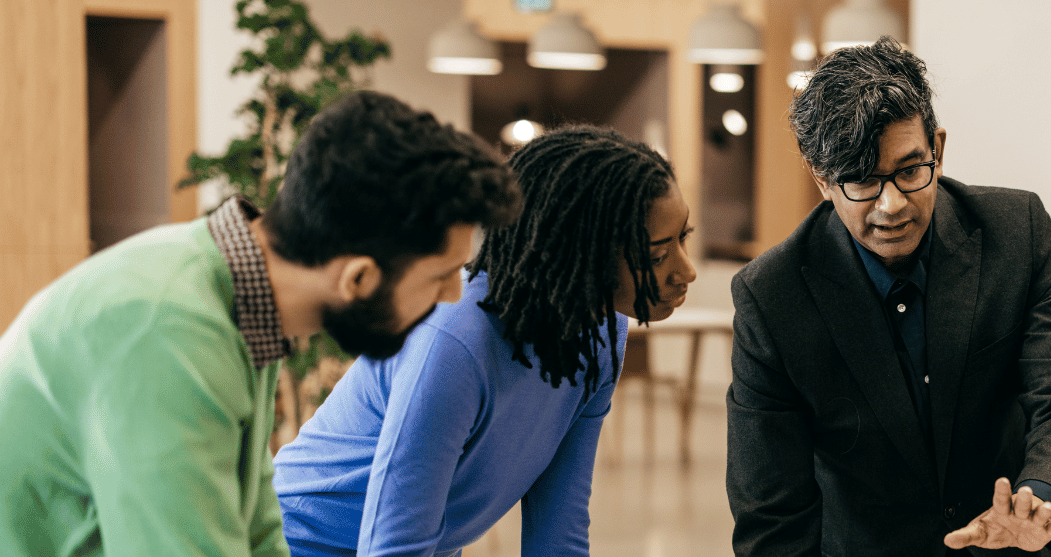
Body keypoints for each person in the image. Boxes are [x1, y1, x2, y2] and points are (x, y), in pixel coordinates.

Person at [0, 91, 520, 556]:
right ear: (358, 278)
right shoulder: (169, 333)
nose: (453, 298)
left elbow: (257, 528)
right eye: (441, 276)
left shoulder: (242, 303)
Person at [726, 37, 1051, 556]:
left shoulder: (1017, 233)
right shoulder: (773, 298)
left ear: (939, 149)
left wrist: (1036, 502)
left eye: (909, 171)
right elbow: (772, 515)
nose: (891, 205)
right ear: (822, 181)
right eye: (861, 181)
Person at [273, 127, 696, 556]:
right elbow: (397, 543)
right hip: (298, 544)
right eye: (658, 255)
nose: (687, 270)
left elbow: (559, 529)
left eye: (684, 238)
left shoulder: (602, 337)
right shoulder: (454, 338)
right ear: (582, 249)